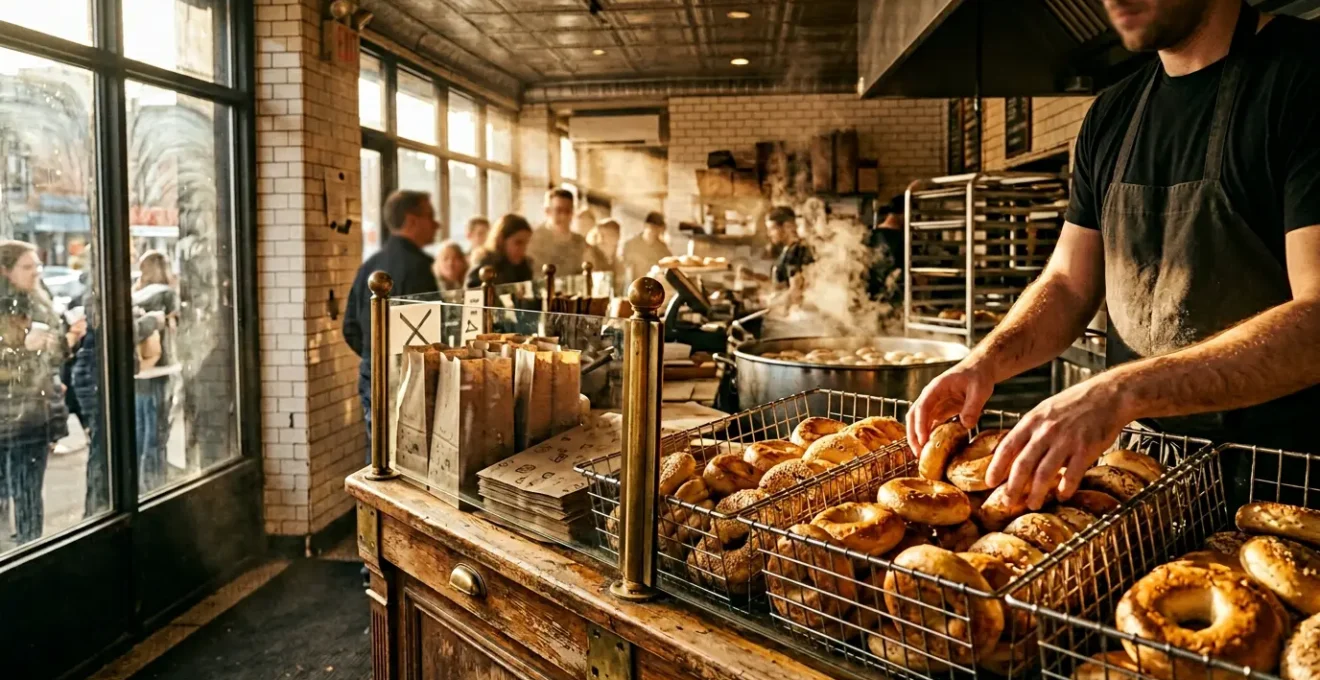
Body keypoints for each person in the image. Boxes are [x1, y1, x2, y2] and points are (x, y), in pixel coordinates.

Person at [906, 0, 1320, 512]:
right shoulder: (1112, 114)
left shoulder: (1306, 78)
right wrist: (985, 362)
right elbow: (1069, 282)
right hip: (1139, 480)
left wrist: (1121, 391)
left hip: (1286, 482)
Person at [344, 190, 441, 447]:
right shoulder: (418, 268)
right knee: (410, 454)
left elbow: (349, 327)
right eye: (430, 216)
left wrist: (373, 356)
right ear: (411, 221)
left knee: (377, 451)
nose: (436, 224)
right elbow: (431, 331)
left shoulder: (371, 264)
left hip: (371, 371)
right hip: (408, 375)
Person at [0, 241, 81, 545]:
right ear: (5, 271)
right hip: (9, 413)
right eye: (27, 266)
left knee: (28, 492)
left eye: (38, 266)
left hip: (33, 415)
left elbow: (56, 356)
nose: (36, 272)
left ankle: (29, 553)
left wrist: (67, 338)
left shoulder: (39, 301)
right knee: (9, 492)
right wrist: (22, 348)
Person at [132, 250, 180, 494]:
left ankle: (140, 485)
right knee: (157, 433)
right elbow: (175, 328)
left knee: (140, 431)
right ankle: (155, 485)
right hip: (160, 370)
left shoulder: (135, 294)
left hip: (139, 372)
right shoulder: (166, 294)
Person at [527, 189, 589, 274]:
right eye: (558, 210)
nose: (563, 216)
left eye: (567, 211)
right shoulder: (534, 240)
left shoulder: (580, 242)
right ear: (547, 211)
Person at [466, 214, 534, 287]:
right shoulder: (485, 266)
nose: (523, 249)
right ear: (501, 239)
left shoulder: (524, 267)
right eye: (518, 242)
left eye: (526, 243)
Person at [765, 206, 813, 287]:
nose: (769, 234)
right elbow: (781, 285)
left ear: (787, 226)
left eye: (772, 229)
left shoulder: (796, 252)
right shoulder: (788, 250)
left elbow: (796, 290)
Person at [621, 211, 673, 282]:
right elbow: (624, 269)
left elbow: (669, 267)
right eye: (651, 227)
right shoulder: (631, 245)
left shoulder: (663, 249)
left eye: (657, 228)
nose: (653, 231)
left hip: (654, 287)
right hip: (635, 287)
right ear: (645, 225)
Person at [587, 219, 623, 293]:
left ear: (617, 237)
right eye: (599, 235)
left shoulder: (619, 259)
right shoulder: (590, 254)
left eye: (606, 235)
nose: (601, 240)